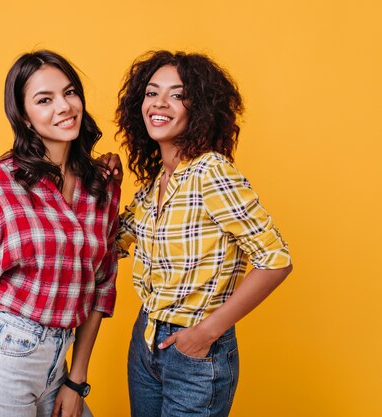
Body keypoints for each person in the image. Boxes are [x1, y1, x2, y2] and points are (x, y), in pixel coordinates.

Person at [114, 50, 293, 417]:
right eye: (151, 93)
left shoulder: (211, 172)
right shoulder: (154, 184)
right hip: (145, 342)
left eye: (177, 95)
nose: (160, 103)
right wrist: (103, 185)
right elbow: (109, 243)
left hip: (195, 354)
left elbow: (276, 260)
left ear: (201, 108)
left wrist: (205, 334)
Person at [0, 50, 120, 417]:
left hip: (60, 365)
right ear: (24, 117)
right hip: (2, 360)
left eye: (70, 92)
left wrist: (76, 379)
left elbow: (102, 286)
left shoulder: (100, 185)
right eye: (45, 99)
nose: (64, 107)